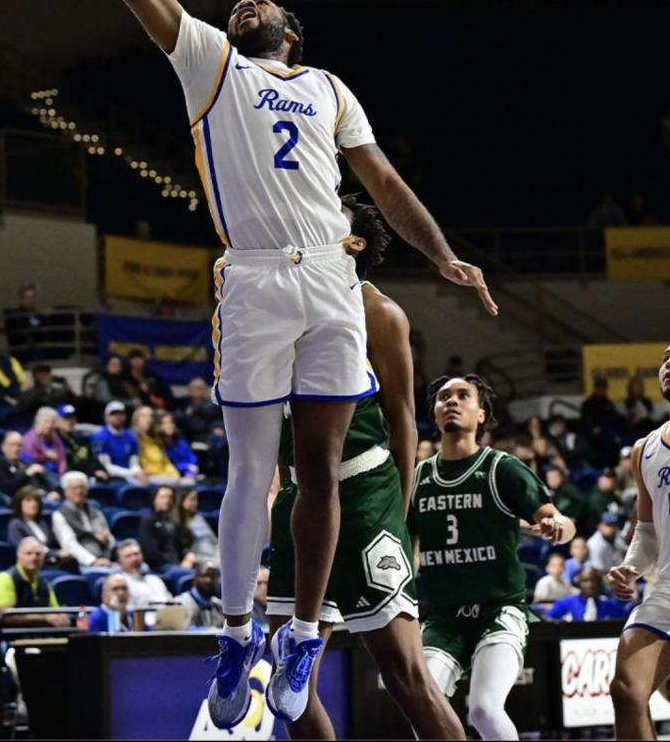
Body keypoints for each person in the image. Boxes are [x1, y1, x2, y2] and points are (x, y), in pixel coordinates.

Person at [0, 0, 497, 728]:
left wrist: (443, 255)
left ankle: (303, 631)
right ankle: (236, 639)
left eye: (261, 6)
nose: (246, 5)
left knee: (320, 465)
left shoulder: (329, 89)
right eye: (239, 4)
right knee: (253, 471)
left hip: (332, 287)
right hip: (257, 279)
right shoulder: (208, 61)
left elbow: (384, 182)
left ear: (292, 37)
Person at [265, 197, 462, 739]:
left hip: (363, 494)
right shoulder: (283, 303)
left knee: (404, 673)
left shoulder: (380, 312)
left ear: (350, 242)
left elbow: (404, 422)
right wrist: (274, 494)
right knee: (286, 677)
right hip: (301, 499)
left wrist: (399, 518)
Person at [411, 375, 575, 741]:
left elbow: (557, 519)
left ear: (482, 414)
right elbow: (410, 545)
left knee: (484, 710)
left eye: (463, 396)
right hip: (442, 617)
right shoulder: (418, 476)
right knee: (423, 709)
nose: (451, 401)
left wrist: (558, 526)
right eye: (443, 397)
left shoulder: (502, 467)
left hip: (498, 610)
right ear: (435, 415)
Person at [608, 355, 670, 738]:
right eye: (665, 358)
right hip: (666, 589)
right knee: (627, 689)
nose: (669, 363)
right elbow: (646, 530)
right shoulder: (644, 448)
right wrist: (631, 566)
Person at [0, 536, 68, 629]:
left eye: (38, 554)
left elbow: (56, 611)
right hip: (13, 637)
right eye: (28, 553)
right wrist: (44, 618)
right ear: (18, 556)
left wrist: (61, 618)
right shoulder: (5, 579)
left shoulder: (44, 583)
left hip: (42, 635)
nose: (34, 557)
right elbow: (7, 616)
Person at [52, 471, 112, 567]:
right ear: (66, 492)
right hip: (83, 563)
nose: (79, 492)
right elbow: (69, 544)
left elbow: (109, 536)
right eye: (75, 488)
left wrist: (106, 540)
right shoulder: (59, 514)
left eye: (82, 487)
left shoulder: (95, 512)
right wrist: (93, 561)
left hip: (106, 557)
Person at [115, 538, 173, 628]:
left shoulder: (156, 580)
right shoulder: (120, 583)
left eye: (137, 554)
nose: (135, 558)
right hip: (143, 628)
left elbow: (171, 602)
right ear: (120, 562)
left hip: (169, 624)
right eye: (128, 556)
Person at [5, 485, 70, 564]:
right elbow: (22, 549)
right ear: (19, 504)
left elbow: (52, 544)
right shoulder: (15, 525)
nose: (33, 504)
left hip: (50, 561)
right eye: (28, 500)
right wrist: (55, 553)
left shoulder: (42, 523)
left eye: (36, 500)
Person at [139, 485, 193, 570]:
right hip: (159, 566)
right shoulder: (148, 520)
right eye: (163, 497)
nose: (167, 500)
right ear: (154, 500)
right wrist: (174, 564)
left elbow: (183, 544)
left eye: (170, 497)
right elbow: (150, 552)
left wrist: (188, 556)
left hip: (177, 564)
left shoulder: (173, 522)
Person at [547, 567, 629, 622]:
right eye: (585, 581)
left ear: (599, 583)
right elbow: (547, 622)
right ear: (578, 583)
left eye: (594, 580)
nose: (590, 585)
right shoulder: (564, 604)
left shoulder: (610, 606)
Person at [0, 431, 52, 500]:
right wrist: (27, 474)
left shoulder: (27, 464)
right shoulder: (0, 467)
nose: (16, 449)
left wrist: (52, 491)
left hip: (41, 499)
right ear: (3, 447)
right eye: (12, 445)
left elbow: (45, 483)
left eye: (19, 445)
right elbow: (9, 489)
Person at [132, 404, 181, 486]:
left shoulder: (157, 439)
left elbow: (166, 462)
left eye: (150, 416)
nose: (148, 419)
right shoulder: (133, 439)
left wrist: (175, 474)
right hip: (148, 477)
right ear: (136, 420)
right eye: (144, 416)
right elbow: (137, 464)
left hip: (165, 477)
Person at [56, 403, 106, 481]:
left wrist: (102, 470)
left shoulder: (81, 439)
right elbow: (69, 465)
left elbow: (93, 458)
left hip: (91, 477)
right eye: (66, 418)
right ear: (57, 420)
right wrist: (93, 472)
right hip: (71, 479)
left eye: (72, 417)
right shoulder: (55, 441)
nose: (70, 421)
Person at [92, 400, 140, 482]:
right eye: (113, 414)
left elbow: (134, 463)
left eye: (120, 413)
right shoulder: (100, 437)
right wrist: (132, 473)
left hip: (130, 476)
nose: (117, 416)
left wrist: (138, 472)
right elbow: (106, 466)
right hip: (111, 477)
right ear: (106, 417)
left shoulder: (131, 437)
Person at [177, 488, 219, 569]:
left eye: (196, 500)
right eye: (192, 499)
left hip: (214, 557)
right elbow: (185, 551)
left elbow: (214, 541)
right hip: (198, 559)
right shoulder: (177, 522)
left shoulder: (199, 518)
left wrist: (219, 556)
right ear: (181, 501)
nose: (195, 503)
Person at [20, 407, 66, 478]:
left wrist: (61, 476)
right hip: (38, 477)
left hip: (56, 477)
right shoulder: (28, 439)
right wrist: (45, 454)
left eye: (52, 422)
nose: (49, 425)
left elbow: (62, 460)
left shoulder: (55, 438)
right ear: (38, 421)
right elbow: (28, 462)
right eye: (46, 421)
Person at [178, 564, 227, 630]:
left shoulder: (219, 605)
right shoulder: (181, 604)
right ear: (195, 579)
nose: (209, 580)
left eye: (213, 577)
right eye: (205, 576)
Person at [158, 411, 201, 480]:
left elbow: (191, 457)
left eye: (171, 422)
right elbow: (166, 464)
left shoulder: (180, 441)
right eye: (165, 423)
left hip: (187, 473)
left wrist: (191, 467)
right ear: (159, 426)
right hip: (169, 475)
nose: (169, 425)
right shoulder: (158, 443)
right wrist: (186, 466)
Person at [586, 471, 625, 536]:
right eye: (607, 478)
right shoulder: (595, 498)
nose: (610, 481)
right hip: (599, 534)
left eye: (613, 479)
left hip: (618, 531)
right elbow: (604, 518)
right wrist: (619, 518)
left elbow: (623, 513)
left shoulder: (614, 497)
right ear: (600, 479)